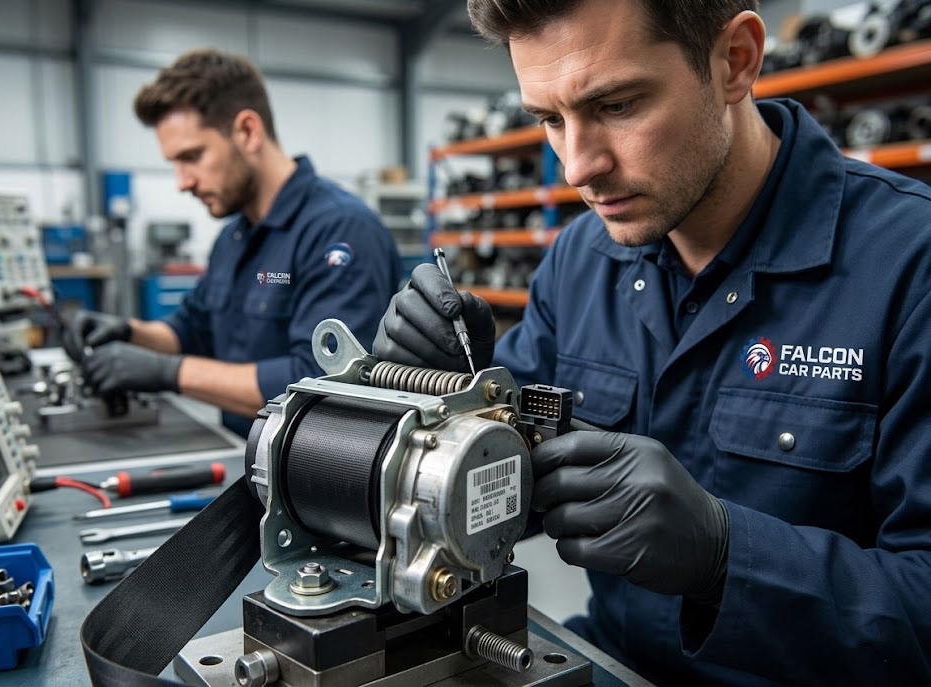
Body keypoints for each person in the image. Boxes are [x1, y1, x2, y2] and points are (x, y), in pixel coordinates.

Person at [374, 1, 931, 684]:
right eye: (550, 119)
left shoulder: (911, 267)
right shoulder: (580, 260)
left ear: (735, 61)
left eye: (616, 105)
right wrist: (442, 403)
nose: (577, 167)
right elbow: (506, 488)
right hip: (613, 662)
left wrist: (727, 557)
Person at [65, 50, 400, 437]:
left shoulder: (340, 231)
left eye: (192, 156)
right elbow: (191, 328)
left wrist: (169, 373)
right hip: (240, 455)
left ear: (248, 132)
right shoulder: (233, 237)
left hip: (310, 468)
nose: (182, 182)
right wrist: (128, 332)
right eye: (175, 163)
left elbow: (322, 385)